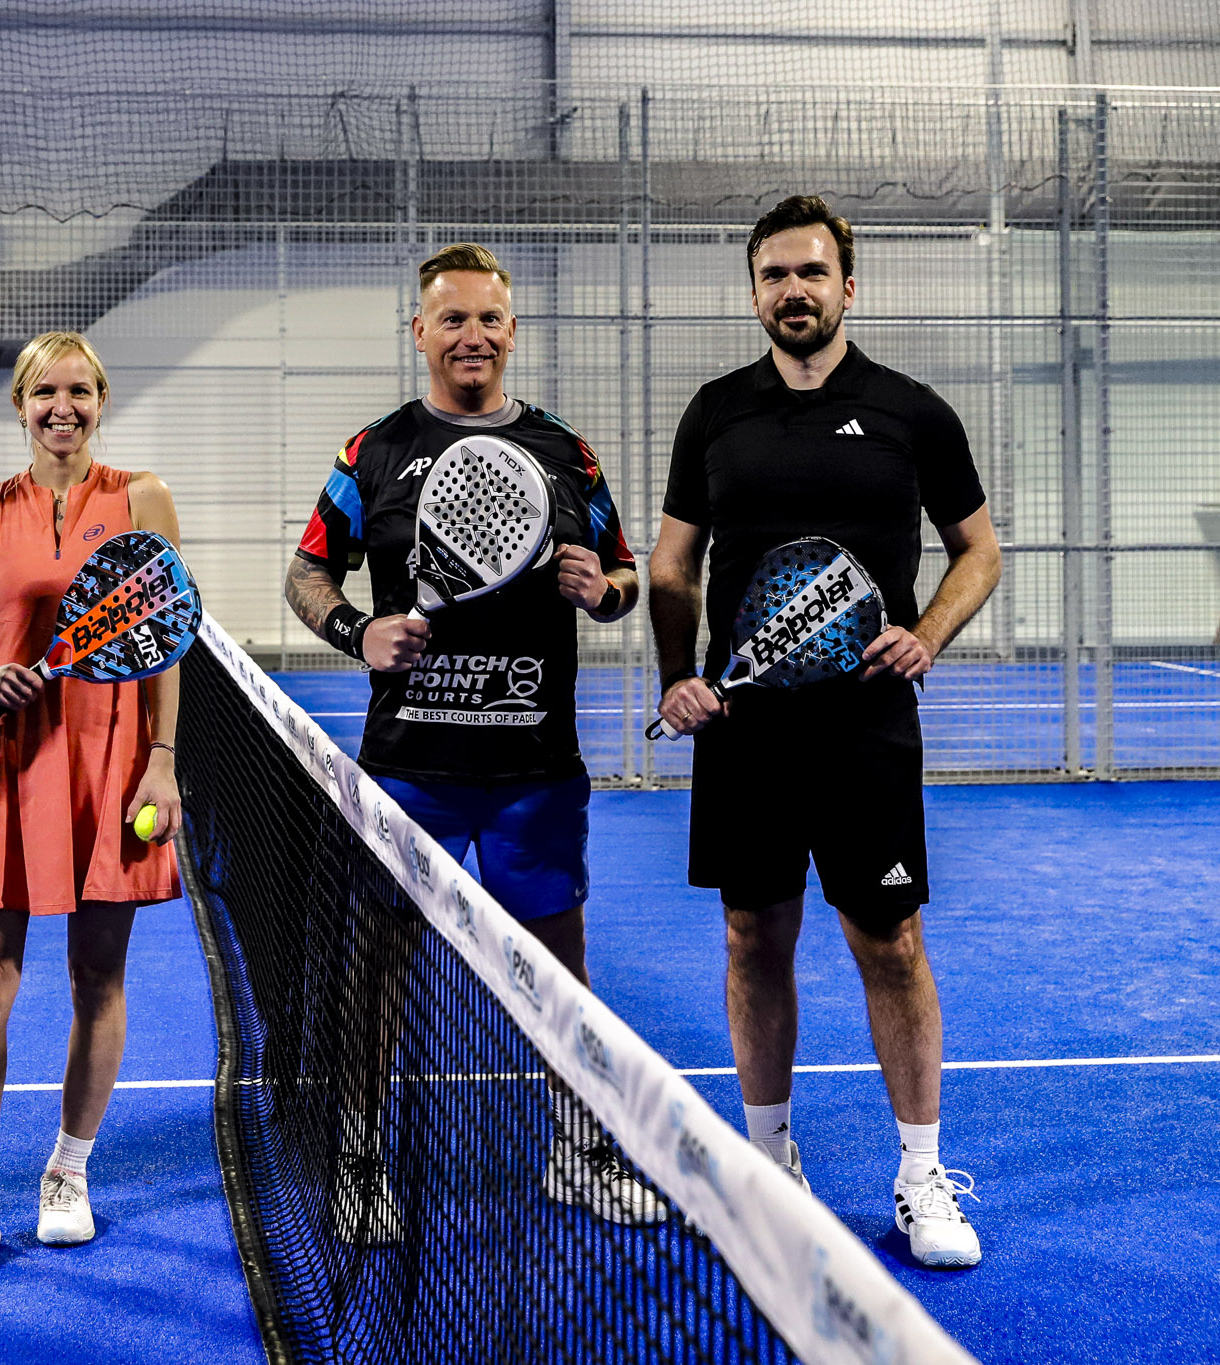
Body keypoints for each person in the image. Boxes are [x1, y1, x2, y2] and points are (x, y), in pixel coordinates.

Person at [648, 195, 1002, 1268]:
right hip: (744, 734)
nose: (790, 291)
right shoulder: (713, 413)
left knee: (887, 943)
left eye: (810, 273)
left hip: (864, 734)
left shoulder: (911, 412)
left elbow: (977, 550)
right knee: (752, 938)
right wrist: (676, 678)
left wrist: (927, 633)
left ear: (848, 286)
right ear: (752, 291)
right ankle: (767, 1159)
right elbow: (671, 565)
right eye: (772, 276)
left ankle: (918, 1174)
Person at [284, 242, 648, 1244]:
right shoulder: (370, 454)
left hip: (534, 771)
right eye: (451, 319)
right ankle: (361, 1160)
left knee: (557, 964)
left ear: (511, 331)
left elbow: (621, 575)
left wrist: (603, 592)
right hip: (410, 767)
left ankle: (578, 1150)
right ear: (419, 332)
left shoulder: (568, 455)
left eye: (488, 318)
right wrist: (355, 630)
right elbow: (307, 574)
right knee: (379, 961)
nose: (472, 335)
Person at [0, 331, 183, 1278]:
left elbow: (166, 637)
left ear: (102, 400)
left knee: (96, 980)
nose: (60, 407)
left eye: (78, 391)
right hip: (11, 755)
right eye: (43, 392)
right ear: (21, 404)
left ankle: (68, 1172)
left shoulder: (143, 497)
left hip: (112, 766)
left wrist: (161, 760)